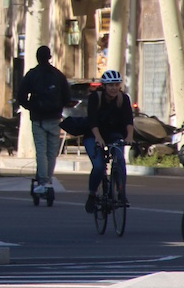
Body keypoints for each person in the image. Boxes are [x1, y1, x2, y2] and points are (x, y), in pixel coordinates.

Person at [17, 45, 72, 196]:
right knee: (51, 152)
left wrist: (31, 107)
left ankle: (43, 181)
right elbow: (67, 98)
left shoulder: (32, 75)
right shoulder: (58, 75)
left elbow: (20, 96)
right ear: (50, 57)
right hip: (55, 119)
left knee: (41, 151)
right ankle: (48, 179)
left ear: (37, 57)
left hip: (38, 119)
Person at [83, 70, 135, 213]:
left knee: (120, 160)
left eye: (116, 85)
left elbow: (128, 120)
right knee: (99, 167)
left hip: (114, 134)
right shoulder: (95, 98)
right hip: (93, 135)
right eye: (110, 85)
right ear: (104, 86)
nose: (113, 88)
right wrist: (98, 138)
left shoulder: (123, 98)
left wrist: (129, 136)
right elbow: (92, 120)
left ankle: (121, 192)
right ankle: (92, 195)